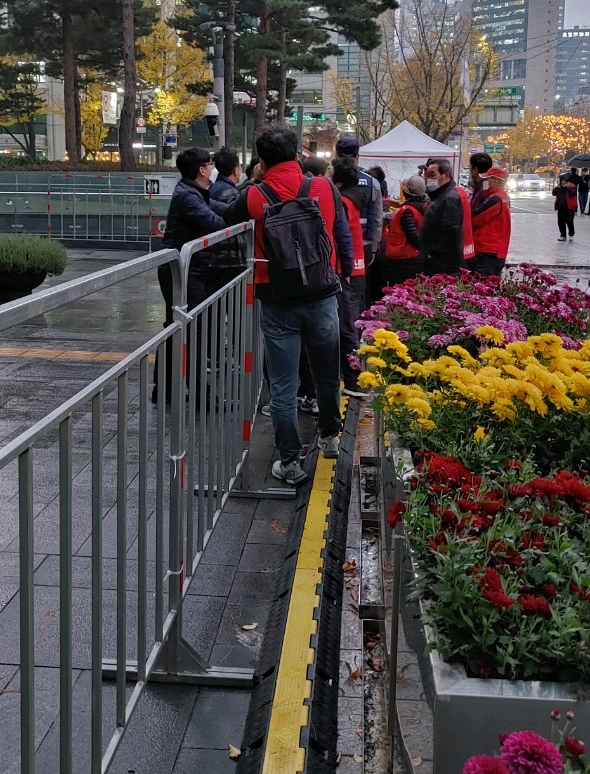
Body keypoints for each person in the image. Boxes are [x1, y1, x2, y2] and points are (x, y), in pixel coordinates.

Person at [223, 126, 343, 485]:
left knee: (283, 384)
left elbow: (226, 218)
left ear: (262, 160)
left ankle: (289, 462)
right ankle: (330, 438)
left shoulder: (254, 195)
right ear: (296, 154)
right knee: (326, 373)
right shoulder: (323, 187)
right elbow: (336, 227)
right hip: (321, 293)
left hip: (277, 298)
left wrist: (255, 182)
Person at [153, 147, 227, 404]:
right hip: (183, 272)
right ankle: (197, 392)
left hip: (186, 270)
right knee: (192, 330)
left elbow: (220, 208)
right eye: (210, 164)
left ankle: (164, 388)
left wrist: (243, 205)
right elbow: (215, 222)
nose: (213, 167)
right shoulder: (188, 196)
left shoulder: (193, 192)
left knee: (178, 328)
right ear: (202, 170)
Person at [331, 156, 371, 398]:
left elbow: (342, 237)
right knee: (350, 324)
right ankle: (353, 375)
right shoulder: (355, 198)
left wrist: (344, 270)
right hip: (356, 267)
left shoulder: (343, 202)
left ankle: (353, 379)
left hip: (348, 271)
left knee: (346, 327)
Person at [335, 137, 383, 315]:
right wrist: (374, 246)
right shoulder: (371, 183)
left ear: (336, 154)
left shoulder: (330, 181)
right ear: (358, 155)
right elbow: (377, 219)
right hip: (362, 247)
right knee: (355, 294)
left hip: (334, 247)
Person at [421, 158, 464, 276]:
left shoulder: (448, 198)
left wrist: (432, 253)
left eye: (432, 175)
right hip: (436, 262)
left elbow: (451, 233)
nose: (429, 179)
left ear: (445, 175)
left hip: (443, 265)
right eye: (427, 175)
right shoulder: (438, 196)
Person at [383, 175, 427, 284]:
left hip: (403, 259)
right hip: (414, 257)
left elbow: (412, 235)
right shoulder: (421, 207)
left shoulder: (407, 210)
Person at [470, 166, 512, 277]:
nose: (485, 182)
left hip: (488, 250)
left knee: (483, 283)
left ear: (495, 180)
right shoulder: (502, 196)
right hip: (495, 250)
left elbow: (475, 218)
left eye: (487, 179)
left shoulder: (495, 199)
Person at [552, 175, 577, 242]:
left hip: (570, 208)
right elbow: (553, 193)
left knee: (569, 221)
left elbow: (573, 193)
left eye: (564, 181)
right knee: (561, 222)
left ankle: (571, 234)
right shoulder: (559, 187)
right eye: (562, 181)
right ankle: (563, 235)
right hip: (561, 208)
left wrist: (568, 187)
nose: (563, 182)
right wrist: (556, 188)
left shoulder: (572, 186)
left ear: (567, 182)